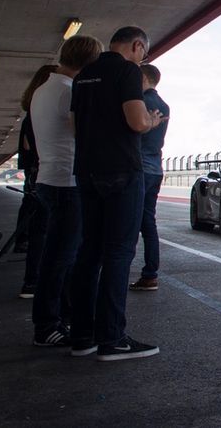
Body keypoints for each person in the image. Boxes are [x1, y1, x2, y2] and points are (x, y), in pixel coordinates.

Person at [68, 26, 166, 361]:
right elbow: (136, 122)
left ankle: (81, 335)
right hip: (122, 170)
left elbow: (73, 124)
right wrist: (151, 122)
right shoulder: (127, 71)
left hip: (86, 170)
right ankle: (112, 338)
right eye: (144, 52)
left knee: (89, 250)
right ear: (138, 46)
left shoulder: (84, 74)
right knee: (119, 252)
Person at [29, 35, 102, 347]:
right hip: (66, 182)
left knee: (60, 255)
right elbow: (85, 133)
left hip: (49, 178)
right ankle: (46, 325)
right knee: (61, 258)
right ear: (88, 63)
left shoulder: (44, 88)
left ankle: (63, 316)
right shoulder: (67, 91)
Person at [15, 64, 56, 298]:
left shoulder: (31, 110)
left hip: (35, 174)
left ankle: (31, 281)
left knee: (39, 229)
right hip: (49, 173)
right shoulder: (45, 109)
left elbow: (26, 146)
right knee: (54, 230)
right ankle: (43, 283)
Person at [130, 64, 169, 292]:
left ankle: (117, 272)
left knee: (128, 222)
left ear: (143, 78)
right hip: (155, 167)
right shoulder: (164, 105)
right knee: (148, 222)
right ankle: (150, 274)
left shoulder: (140, 102)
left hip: (139, 167)